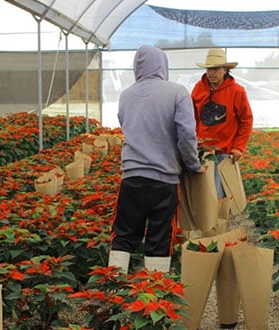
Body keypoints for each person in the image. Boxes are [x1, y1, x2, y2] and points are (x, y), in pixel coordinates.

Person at [108, 45, 204, 274]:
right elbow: (186, 135)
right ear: (163, 65)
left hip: (131, 178)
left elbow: (128, 127)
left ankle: (112, 286)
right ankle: (156, 291)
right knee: (161, 235)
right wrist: (193, 166)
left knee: (123, 234)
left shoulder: (126, 95)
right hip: (164, 180)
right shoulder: (177, 92)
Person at [191, 48, 254, 199]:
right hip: (202, 151)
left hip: (225, 153)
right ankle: (206, 222)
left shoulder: (236, 91)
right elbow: (191, 118)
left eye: (216, 69)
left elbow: (246, 120)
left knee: (219, 195)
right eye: (209, 69)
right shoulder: (198, 89)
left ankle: (218, 222)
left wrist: (238, 148)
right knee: (202, 194)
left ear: (225, 69)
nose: (211, 73)